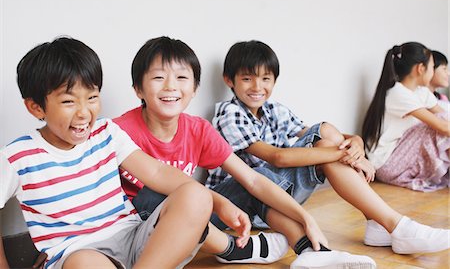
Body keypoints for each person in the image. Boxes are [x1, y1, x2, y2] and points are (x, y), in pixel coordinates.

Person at [113, 36, 377, 268]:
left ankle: (311, 251)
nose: (171, 86)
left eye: (181, 78)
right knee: (155, 194)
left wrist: (305, 218)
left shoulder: (197, 130)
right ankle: (231, 249)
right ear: (138, 88)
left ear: (194, 89)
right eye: (159, 77)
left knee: (252, 180)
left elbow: (252, 180)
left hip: (194, 216)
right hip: (141, 228)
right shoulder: (119, 132)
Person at [0, 36, 247, 269]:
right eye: (68, 102)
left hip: (136, 240)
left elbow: (158, 172)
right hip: (79, 254)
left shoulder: (106, 132)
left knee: (197, 194)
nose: (84, 112)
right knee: (83, 263)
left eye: (92, 97)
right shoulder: (18, 156)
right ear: (35, 107)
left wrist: (220, 203)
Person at [207, 40, 450, 256]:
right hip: (245, 201)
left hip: (280, 196)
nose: (257, 86)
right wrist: (348, 155)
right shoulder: (230, 113)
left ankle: (382, 223)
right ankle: (393, 225)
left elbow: (314, 134)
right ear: (229, 80)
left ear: (274, 80)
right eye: (247, 78)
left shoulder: (274, 110)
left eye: (265, 78)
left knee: (324, 132)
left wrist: (354, 140)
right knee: (325, 138)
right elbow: (277, 157)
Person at [362, 42, 450, 192]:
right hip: (387, 163)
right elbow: (443, 127)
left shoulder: (421, 92)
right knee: (432, 129)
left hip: (402, 156)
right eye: (431, 67)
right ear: (420, 69)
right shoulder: (398, 93)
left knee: (442, 120)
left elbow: (444, 115)